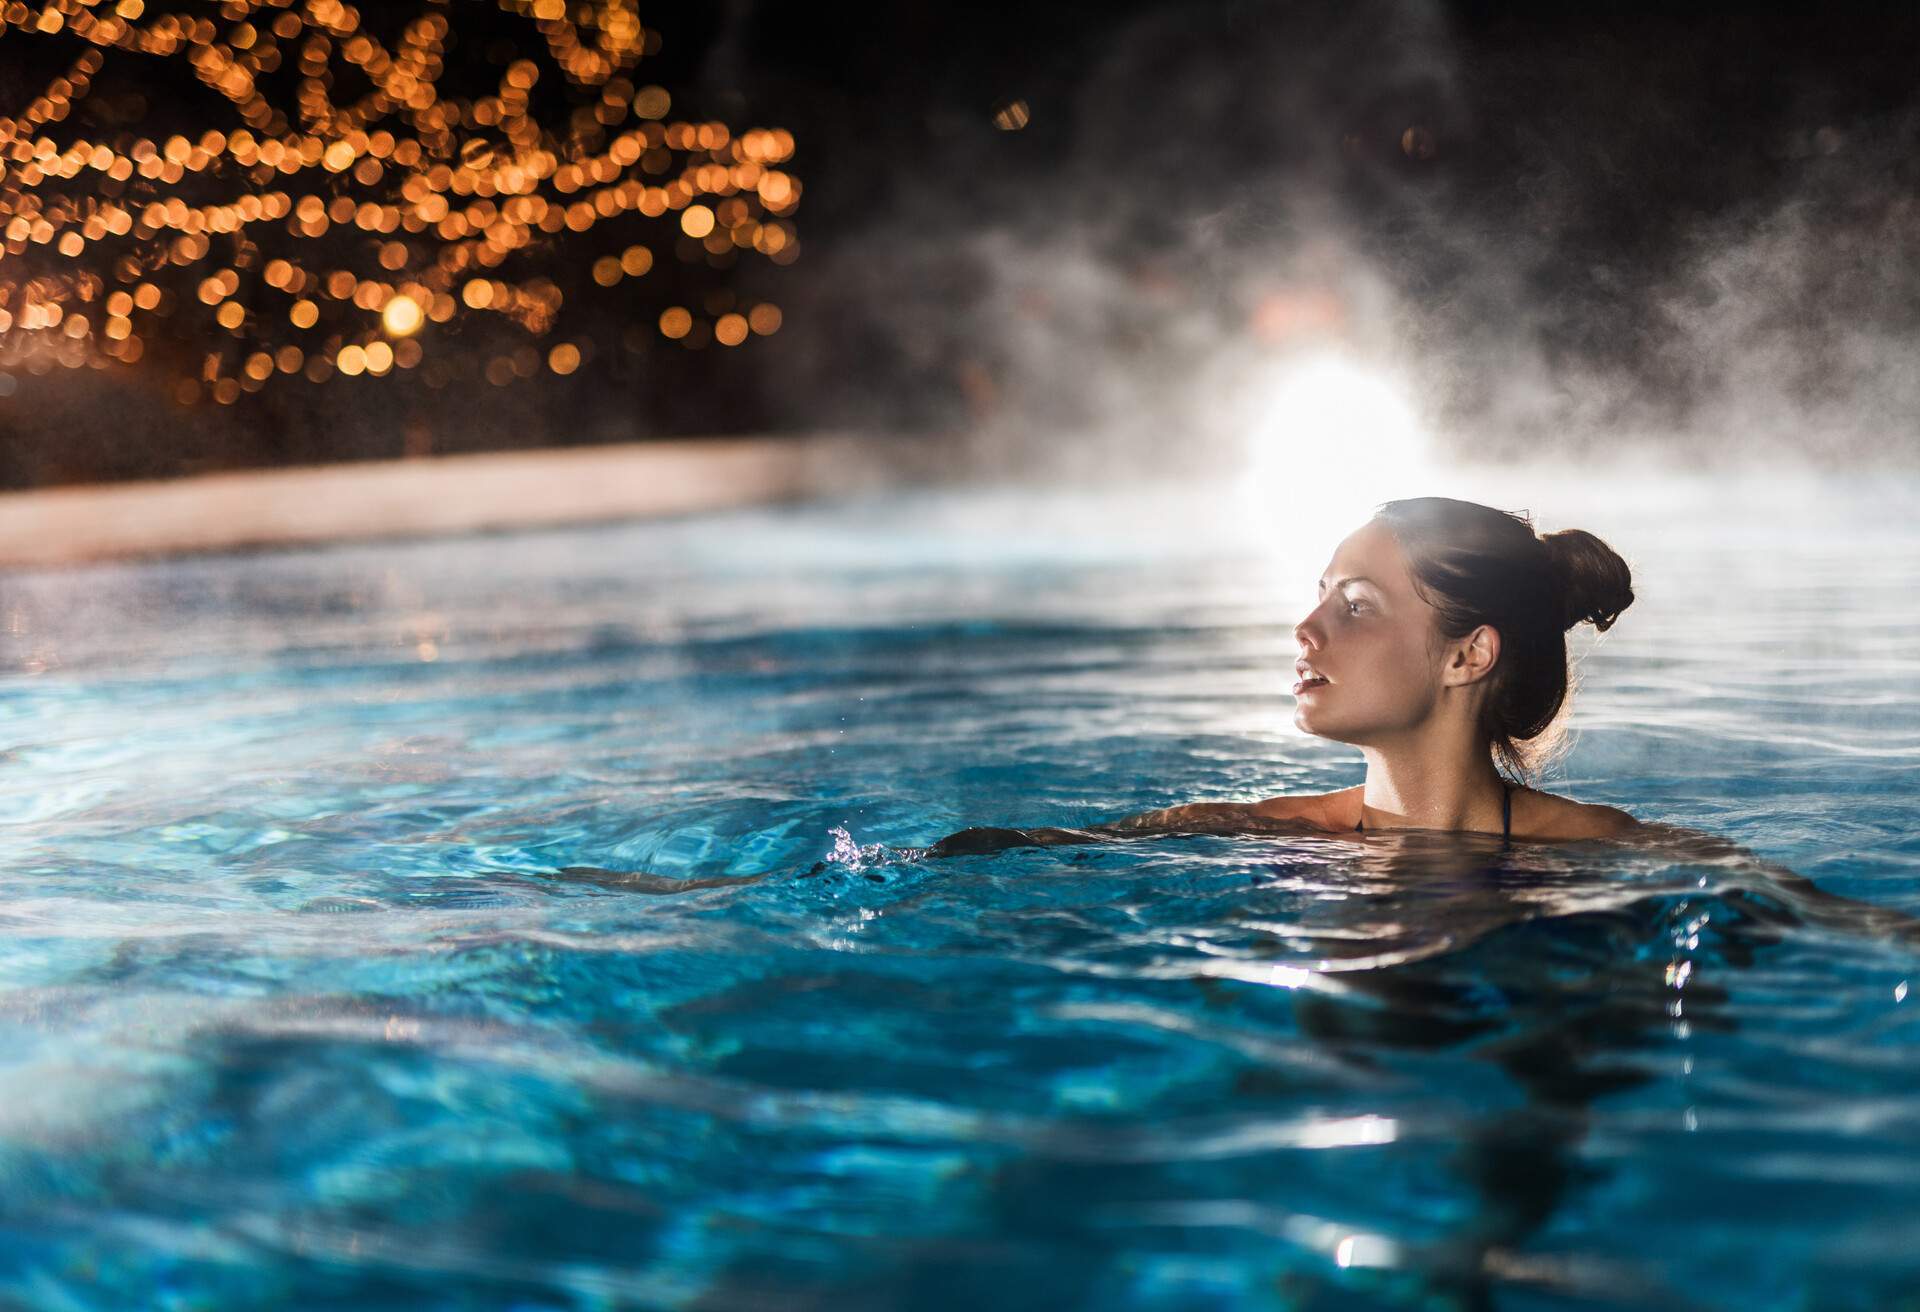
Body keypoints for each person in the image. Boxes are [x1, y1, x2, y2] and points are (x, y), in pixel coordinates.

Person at [934, 496, 1639, 854]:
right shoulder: (1233, 830)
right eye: (1322, 593)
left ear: (1468, 656)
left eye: (1357, 605)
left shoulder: (1610, 851)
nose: (1307, 628)